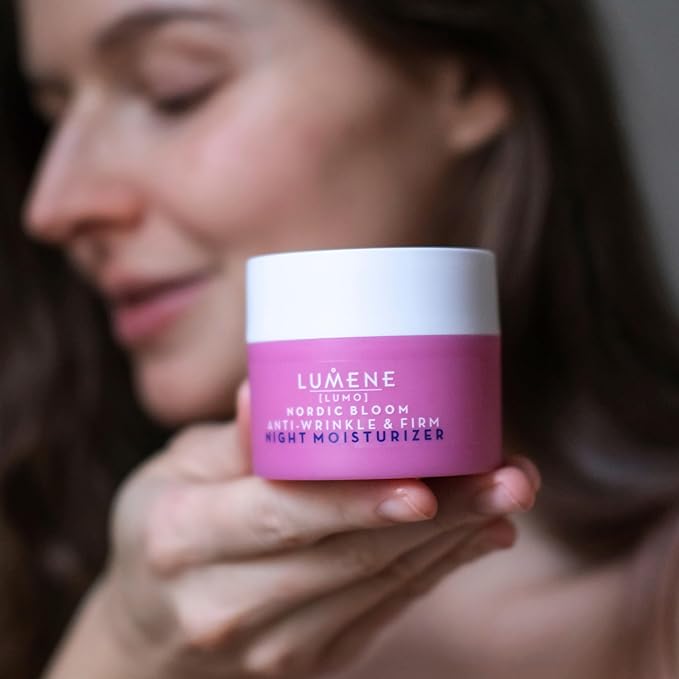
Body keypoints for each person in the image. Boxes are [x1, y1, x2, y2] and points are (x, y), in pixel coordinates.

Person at [1, 0, 678, 677]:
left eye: (174, 91)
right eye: (53, 118)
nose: (52, 207)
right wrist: (119, 649)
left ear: (466, 80)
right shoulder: (30, 554)